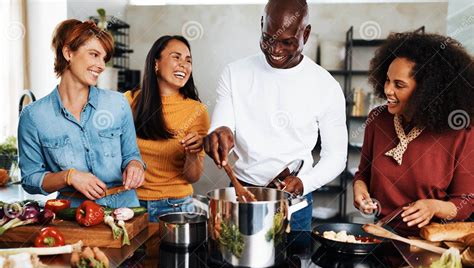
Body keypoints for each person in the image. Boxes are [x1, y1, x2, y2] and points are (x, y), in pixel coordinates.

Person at [204, 0, 347, 231]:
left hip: (294, 202)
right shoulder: (235, 73)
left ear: (306, 34)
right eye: (268, 38)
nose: (275, 49)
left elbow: (337, 156)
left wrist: (304, 182)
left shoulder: (325, 86)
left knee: (295, 265)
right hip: (242, 195)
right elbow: (223, 126)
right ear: (262, 24)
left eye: (287, 42)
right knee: (235, 261)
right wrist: (219, 135)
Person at [18, 19, 145, 208]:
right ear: (68, 53)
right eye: (94, 54)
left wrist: (135, 165)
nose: (101, 65)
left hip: (125, 210)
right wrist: (69, 176)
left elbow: (132, 154)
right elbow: (30, 179)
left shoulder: (117, 103)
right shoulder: (34, 116)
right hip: (73, 215)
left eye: (104, 58)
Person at [353, 32, 473, 230]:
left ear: (427, 91)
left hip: (429, 244)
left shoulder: (460, 132)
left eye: (399, 85)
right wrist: (360, 189)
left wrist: (433, 207)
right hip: (381, 235)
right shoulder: (378, 120)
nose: (388, 91)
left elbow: (466, 203)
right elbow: (363, 174)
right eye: (387, 80)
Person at [125, 35, 210, 222]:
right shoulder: (128, 102)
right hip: (130, 204)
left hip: (176, 206)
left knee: (171, 252)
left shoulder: (197, 111)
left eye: (188, 60)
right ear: (156, 63)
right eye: (176, 57)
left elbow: (192, 176)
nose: (184, 65)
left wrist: (193, 153)